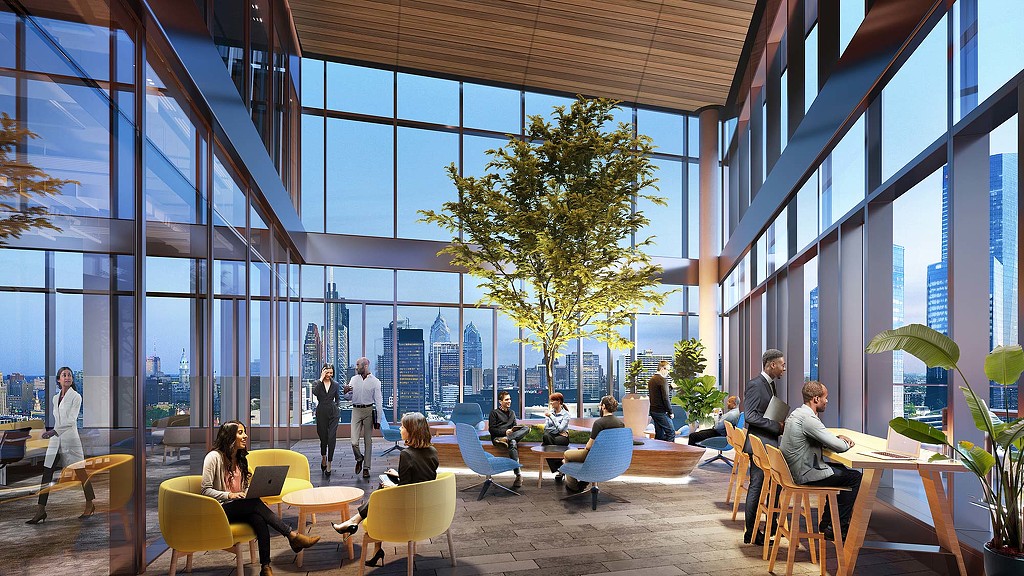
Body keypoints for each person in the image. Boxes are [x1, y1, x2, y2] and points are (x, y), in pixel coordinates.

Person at [201, 420, 319, 576]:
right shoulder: (213, 457)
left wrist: (252, 492)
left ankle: (265, 567)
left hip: (241, 506)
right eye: (240, 432)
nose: (245, 436)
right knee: (255, 505)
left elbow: (243, 489)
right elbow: (205, 490)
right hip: (221, 509)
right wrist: (229, 495)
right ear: (229, 436)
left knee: (259, 519)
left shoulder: (241, 458)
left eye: (245, 432)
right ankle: (292, 536)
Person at [332, 412, 438, 567]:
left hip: (410, 510)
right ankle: (373, 547)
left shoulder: (407, 454)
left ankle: (354, 522)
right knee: (383, 486)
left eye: (403, 427)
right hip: (425, 505)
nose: (400, 429)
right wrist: (399, 476)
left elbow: (406, 491)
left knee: (381, 492)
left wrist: (394, 486)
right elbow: (422, 481)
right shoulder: (433, 452)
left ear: (412, 431)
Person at [781, 381, 862, 541]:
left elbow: (819, 436)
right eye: (826, 398)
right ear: (816, 399)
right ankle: (838, 527)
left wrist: (834, 439)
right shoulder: (808, 419)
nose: (827, 401)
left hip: (795, 469)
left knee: (840, 470)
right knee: (855, 478)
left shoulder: (798, 413)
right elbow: (839, 447)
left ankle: (827, 524)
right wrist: (844, 442)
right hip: (804, 473)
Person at [27, 366, 95, 525]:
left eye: (69, 375)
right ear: (59, 379)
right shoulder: (54, 398)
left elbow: (71, 420)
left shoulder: (76, 397)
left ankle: (90, 504)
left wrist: (52, 432)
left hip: (70, 440)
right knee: (47, 472)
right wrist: (53, 434)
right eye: (64, 375)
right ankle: (40, 509)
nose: (67, 377)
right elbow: (58, 419)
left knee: (81, 473)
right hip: (56, 441)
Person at [743, 349, 787, 546]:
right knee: (757, 486)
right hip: (759, 444)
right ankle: (751, 533)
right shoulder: (755, 385)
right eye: (782, 364)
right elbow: (750, 416)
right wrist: (775, 426)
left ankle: (772, 525)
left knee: (771, 486)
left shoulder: (770, 385)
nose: (784, 368)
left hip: (767, 442)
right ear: (771, 365)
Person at [562, 395, 624, 492]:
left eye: (600, 405)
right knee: (577, 457)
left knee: (567, 455)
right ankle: (583, 483)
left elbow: (589, 446)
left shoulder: (599, 423)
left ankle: (573, 487)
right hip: (611, 458)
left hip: (596, 457)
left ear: (603, 406)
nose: (599, 407)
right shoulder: (620, 423)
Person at [346, 357, 384, 479]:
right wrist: (345, 392)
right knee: (354, 442)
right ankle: (359, 458)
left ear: (365, 365)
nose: (356, 367)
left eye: (358, 365)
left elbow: (379, 402)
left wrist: (378, 420)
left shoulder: (375, 382)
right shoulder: (353, 379)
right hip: (356, 410)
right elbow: (348, 398)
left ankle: (366, 468)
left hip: (368, 410)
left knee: (368, 441)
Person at [488, 390, 527, 488]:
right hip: (497, 438)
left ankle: (506, 439)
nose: (509, 401)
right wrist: (505, 432)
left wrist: (511, 432)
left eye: (510, 399)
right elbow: (491, 430)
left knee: (526, 428)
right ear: (500, 402)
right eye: (506, 400)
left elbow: (515, 428)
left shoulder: (512, 413)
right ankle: (518, 475)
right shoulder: (494, 413)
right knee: (513, 442)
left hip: (508, 438)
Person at [312, 364, 340, 476]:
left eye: (331, 373)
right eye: (327, 372)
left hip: (333, 412)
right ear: (323, 372)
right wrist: (321, 378)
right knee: (323, 437)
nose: (329, 375)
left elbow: (338, 399)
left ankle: (329, 463)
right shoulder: (317, 383)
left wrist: (337, 409)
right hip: (321, 412)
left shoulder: (336, 384)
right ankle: (324, 456)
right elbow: (315, 392)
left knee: (331, 437)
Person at [542, 392, 571, 479]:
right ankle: (561, 467)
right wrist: (557, 430)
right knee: (546, 437)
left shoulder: (566, 414)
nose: (550, 403)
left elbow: (561, 429)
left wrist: (552, 417)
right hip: (553, 436)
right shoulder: (549, 413)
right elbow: (546, 429)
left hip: (563, 438)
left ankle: (559, 469)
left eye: (552, 401)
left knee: (545, 444)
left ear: (558, 401)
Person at [648, 360, 674, 442]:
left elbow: (659, 394)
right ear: (662, 368)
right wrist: (670, 412)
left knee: (659, 434)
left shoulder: (652, 380)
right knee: (671, 432)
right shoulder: (663, 380)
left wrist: (670, 387)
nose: (668, 372)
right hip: (661, 412)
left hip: (653, 410)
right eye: (668, 370)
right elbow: (665, 398)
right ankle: (669, 454)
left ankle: (659, 452)